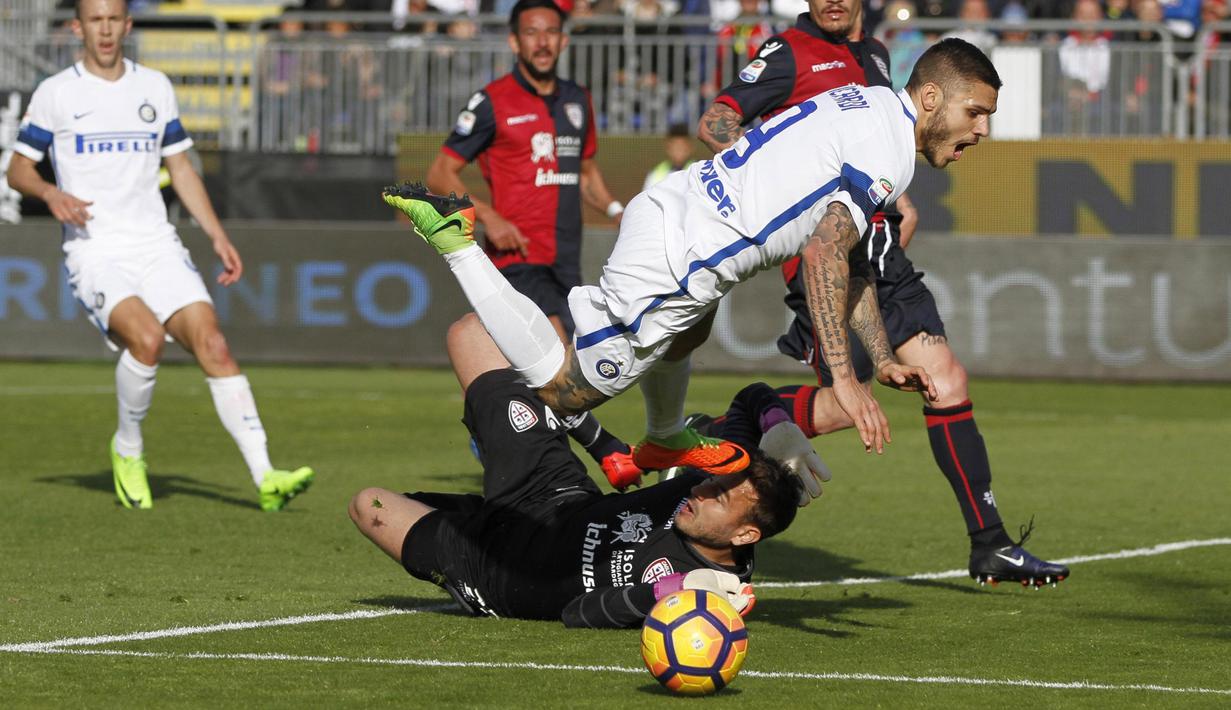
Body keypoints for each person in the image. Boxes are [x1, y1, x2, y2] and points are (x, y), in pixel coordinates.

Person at [382, 39, 1006, 482]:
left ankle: (662, 437)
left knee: (693, 327)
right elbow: (823, 253)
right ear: (929, 97)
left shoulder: (866, 104)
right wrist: (844, 379)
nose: (981, 130)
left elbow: (855, 261)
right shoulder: (890, 150)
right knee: (568, 391)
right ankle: (457, 240)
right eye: (974, 112)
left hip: (678, 207)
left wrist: (886, 355)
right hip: (680, 259)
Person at [694, 0, 1069, 586]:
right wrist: (779, 184)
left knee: (944, 380)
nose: (833, 2)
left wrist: (892, 197)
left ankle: (990, 544)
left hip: (879, 245)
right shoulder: (787, 52)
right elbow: (717, 124)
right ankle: (726, 430)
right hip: (823, 247)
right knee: (848, 400)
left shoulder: (875, 55)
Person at [5, 0, 313, 511]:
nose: (104, 30)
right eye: (94, 20)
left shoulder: (155, 87)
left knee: (212, 344)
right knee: (148, 340)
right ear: (78, 27)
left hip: (156, 243)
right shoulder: (56, 93)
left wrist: (215, 233)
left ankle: (266, 476)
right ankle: (128, 449)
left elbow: (183, 168)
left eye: (113, 20)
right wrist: (52, 194)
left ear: (127, 25)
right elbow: (18, 170)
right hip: (95, 248)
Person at [348, 318, 809, 628]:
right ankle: (500, 460)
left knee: (369, 503)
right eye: (712, 483)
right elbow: (750, 395)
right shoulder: (719, 489)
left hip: (495, 572)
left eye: (719, 499)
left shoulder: (704, 594)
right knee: (482, 332)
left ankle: (466, 554)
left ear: (746, 535)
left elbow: (579, 612)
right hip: (553, 493)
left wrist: (675, 591)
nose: (703, 491)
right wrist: (778, 425)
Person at [424, 0, 641, 490]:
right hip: (517, 257)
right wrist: (491, 216)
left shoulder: (577, 100)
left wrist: (615, 210)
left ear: (564, 40)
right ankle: (589, 459)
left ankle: (497, 435)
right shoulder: (492, 101)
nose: (542, 41)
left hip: (564, 256)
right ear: (514, 41)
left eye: (551, 33)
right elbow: (440, 173)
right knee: (554, 367)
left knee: (557, 373)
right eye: (531, 32)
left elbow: (586, 176)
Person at [642, 123, 696, 191]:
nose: (679, 152)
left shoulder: (697, 172)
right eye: (675, 147)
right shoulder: (656, 175)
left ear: (690, 148)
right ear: (668, 148)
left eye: (682, 147)